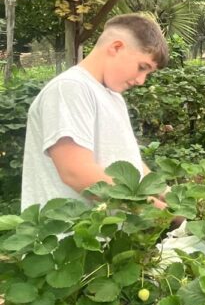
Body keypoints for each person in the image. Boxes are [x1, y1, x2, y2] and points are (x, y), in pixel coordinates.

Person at [21, 14, 169, 210]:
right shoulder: (70, 88)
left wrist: (173, 198)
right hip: (71, 236)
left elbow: (130, 163)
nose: (141, 80)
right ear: (116, 47)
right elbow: (76, 172)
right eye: (142, 67)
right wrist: (163, 213)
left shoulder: (112, 95)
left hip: (109, 236)